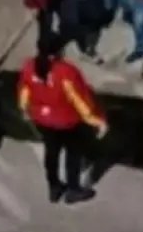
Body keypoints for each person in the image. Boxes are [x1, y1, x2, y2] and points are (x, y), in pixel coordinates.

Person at [17, 36, 108, 204]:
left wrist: (25, 110)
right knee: (73, 155)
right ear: (59, 51)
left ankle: (54, 187)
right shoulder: (66, 71)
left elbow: (24, 92)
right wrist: (98, 121)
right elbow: (79, 101)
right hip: (67, 122)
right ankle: (73, 190)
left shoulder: (29, 66)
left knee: (51, 152)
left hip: (42, 120)